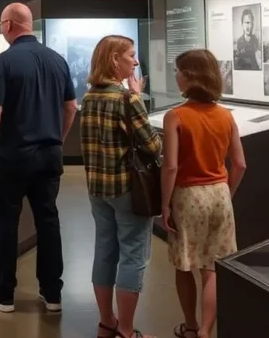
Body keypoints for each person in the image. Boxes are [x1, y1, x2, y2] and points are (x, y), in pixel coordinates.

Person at [0, 4, 77, 315]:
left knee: (6, 222)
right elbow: (71, 106)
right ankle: (52, 293)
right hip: (48, 157)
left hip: (13, 157)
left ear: (8, 25)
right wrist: (57, 138)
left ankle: (3, 292)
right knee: (48, 220)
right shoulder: (57, 61)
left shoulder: (4, 63)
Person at [161, 50, 246, 338]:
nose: (176, 76)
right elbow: (240, 164)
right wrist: (227, 191)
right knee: (211, 266)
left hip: (187, 196)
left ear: (189, 76)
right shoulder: (226, 116)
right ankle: (207, 331)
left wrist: (165, 204)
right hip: (220, 193)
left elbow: (171, 167)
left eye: (178, 71)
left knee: (184, 265)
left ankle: (191, 326)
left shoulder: (176, 116)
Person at [81, 35, 162, 338]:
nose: (136, 61)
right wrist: (137, 96)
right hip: (129, 190)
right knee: (133, 254)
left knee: (104, 250)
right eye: (131, 55)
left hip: (97, 189)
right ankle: (126, 330)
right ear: (115, 60)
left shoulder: (89, 97)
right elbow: (152, 146)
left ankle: (107, 322)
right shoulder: (127, 99)